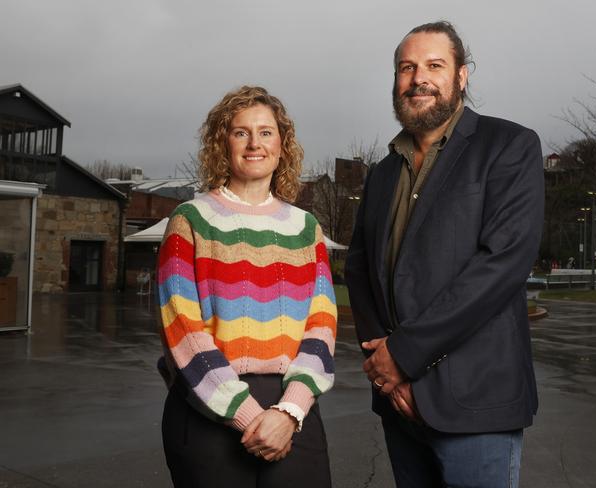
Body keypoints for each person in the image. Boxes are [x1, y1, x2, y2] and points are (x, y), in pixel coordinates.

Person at [345, 21, 543, 487]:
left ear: (462, 76)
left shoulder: (509, 146)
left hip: (477, 405)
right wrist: (385, 369)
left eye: (435, 65)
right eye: (407, 67)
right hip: (397, 402)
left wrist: (404, 357)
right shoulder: (381, 172)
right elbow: (358, 268)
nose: (419, 78)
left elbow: (502, 265)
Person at [157, 86, 336, 488]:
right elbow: (182, 332)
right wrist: (248, 415)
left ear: (282, 144)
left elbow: (321, 328)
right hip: (208, 408)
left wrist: (288, 412)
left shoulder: (306, 229)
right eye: (240, 132)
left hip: (293, 408)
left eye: (266, 132)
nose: (255, 143)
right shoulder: (190, 220)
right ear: (223, 143)